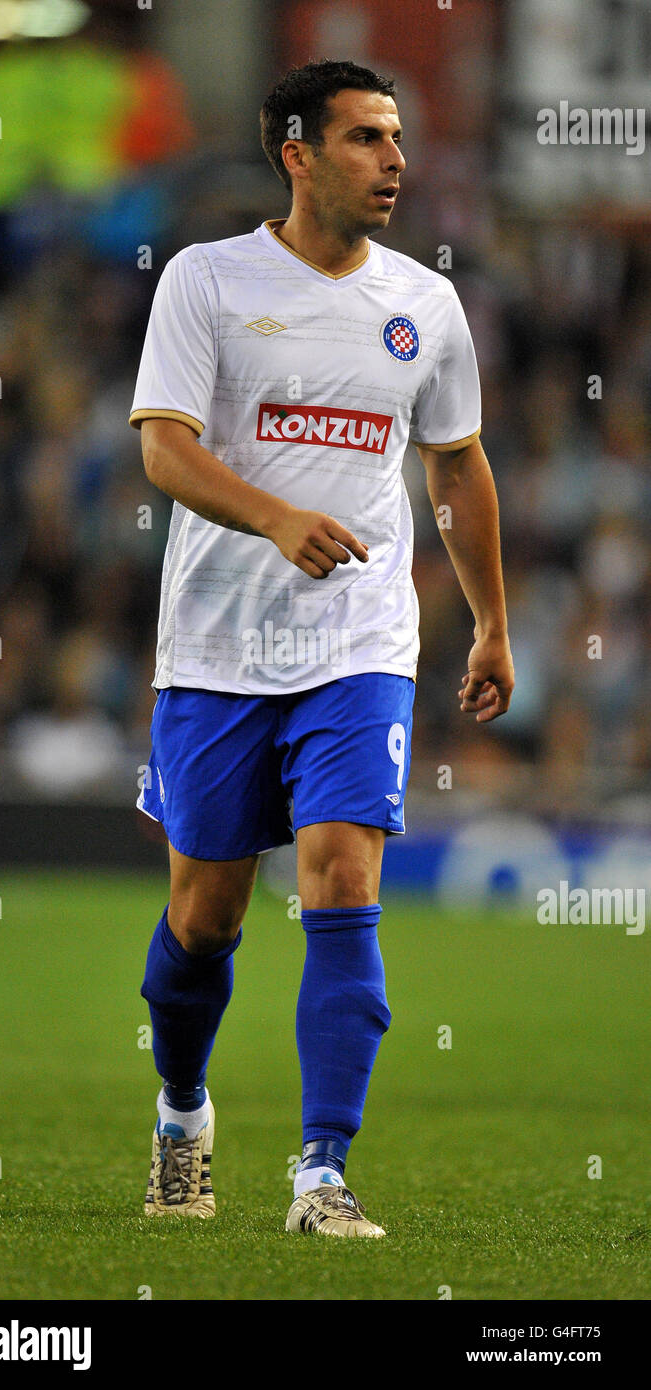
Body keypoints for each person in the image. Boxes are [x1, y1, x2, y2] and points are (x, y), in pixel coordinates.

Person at [128, 59, 514, 1238]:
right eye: (363, 139)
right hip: (216, 647)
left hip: (360, 641)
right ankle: (184, 1111)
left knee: (343, 876)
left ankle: (321, 1173)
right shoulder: (207, 281)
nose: (394, 159)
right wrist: (278, 514)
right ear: (297, 155)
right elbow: (164, 450)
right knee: (206, 920)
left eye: (397, 137)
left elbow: (455, 464)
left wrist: (492, 616)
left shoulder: (425, 306)